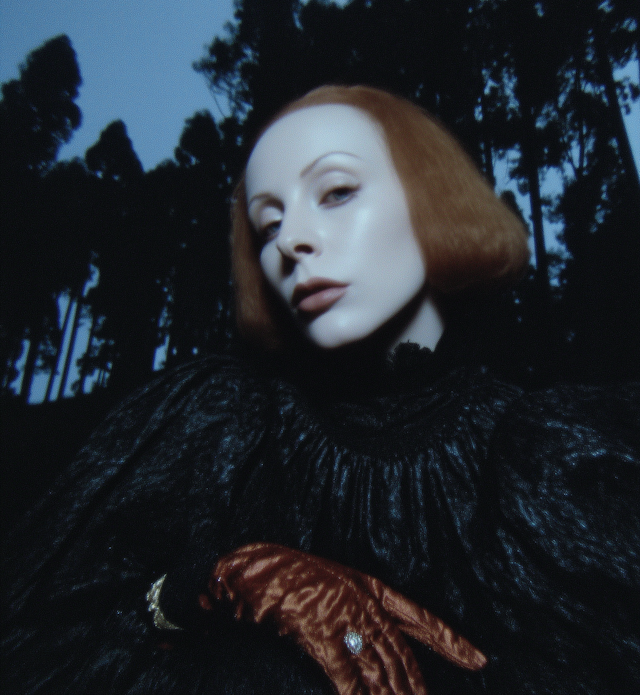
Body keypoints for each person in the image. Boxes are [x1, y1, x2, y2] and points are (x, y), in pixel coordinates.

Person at [2, 85, 639, 695]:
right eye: (267, 224)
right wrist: (212, 585)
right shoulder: (220, 426)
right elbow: (36, 646)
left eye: (336, 192)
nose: (290, 241)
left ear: (431, 200)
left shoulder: (553, 458)